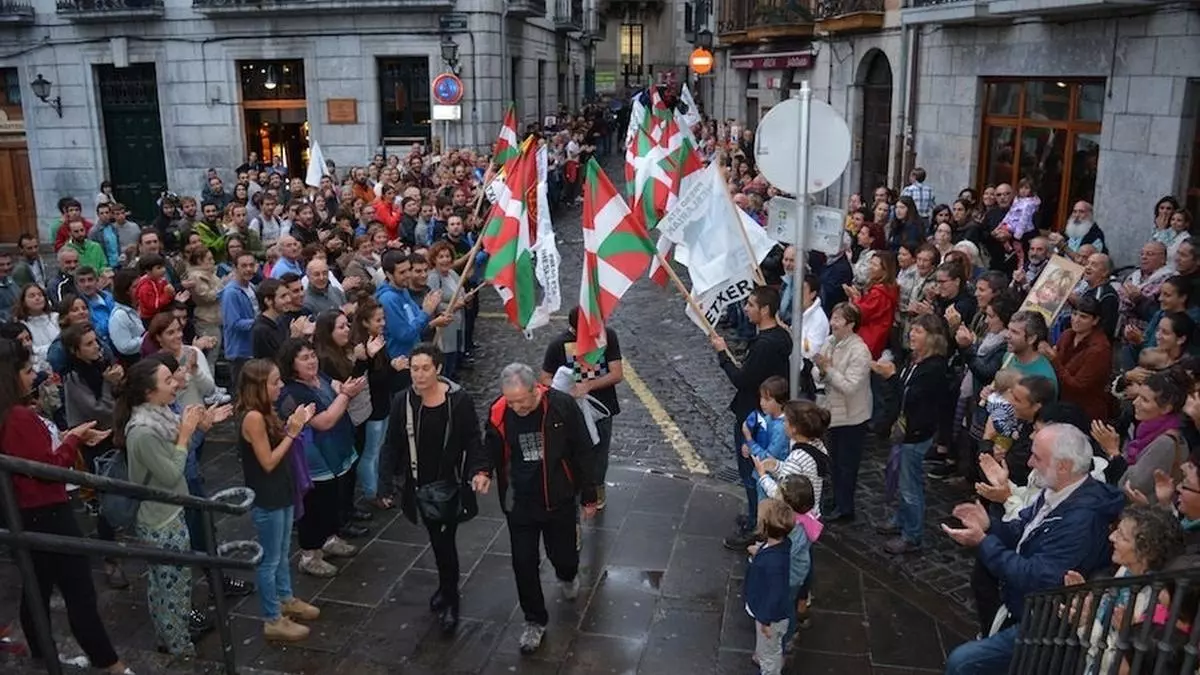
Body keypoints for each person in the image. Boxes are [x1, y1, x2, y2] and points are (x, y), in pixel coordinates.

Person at [942, 424, 1124, 675]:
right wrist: (989, 525)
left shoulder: (1081, 520)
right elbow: (1023, 529)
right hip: (1028, 610)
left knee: (962, 663)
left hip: (1048, 622)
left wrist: (984, 542)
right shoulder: (1059, 492)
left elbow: (1039, 576)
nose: (1029, 462)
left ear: (1063, 466)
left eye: (1037, 457)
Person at [0, 339, 133, 675]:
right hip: (47, 512)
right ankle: (110, 663)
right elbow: (48, 468)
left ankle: (43, 654)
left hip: (25, 514)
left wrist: (69, 434)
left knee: (37, 589)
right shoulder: (16, 416)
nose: (34, 377)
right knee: (78, 592)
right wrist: (72, 439)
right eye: (27, 371)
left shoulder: (12, 415)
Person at [481, 362, 597, 655]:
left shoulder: (561, 406)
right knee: (523, 563)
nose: (517, 407)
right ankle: (534, 620)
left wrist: (588, 495)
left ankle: (568, 574)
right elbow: (489, 447)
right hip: (520, 502)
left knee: (564, 556)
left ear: (536, 390)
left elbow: (583, 448)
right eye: (511, 401)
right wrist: (482, 471)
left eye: (522, 400)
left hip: (558, 499)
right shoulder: (499, 412)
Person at [379, 343, 488, 634]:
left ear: (438, 369)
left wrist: (479, 470)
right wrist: (385, 484)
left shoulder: (458, 401)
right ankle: (445, 588)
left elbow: (473, 439)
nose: (419, 374)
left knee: (444, 543)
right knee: (438, 542)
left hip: (450, 485)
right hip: (419, 486)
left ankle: (451, 600)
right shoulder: (402, 401)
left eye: (426, 368)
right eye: (414, 368)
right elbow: (391, 445)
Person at [115, 359, 203, 657]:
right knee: (172, 587)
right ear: (149, 392)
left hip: (171, 511)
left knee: (165, 583)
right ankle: (179, 646)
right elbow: (170, 474)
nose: (175, 384)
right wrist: (185, 436)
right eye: (168, 381)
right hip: (161, 519)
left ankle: (169, 638)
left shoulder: (160, 414)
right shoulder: (142, 431)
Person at [236, 358, 322, 642]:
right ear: (259, 387)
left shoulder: (265, 412)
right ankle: (272, 617)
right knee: (270, 560)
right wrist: (294, 431)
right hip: (268, 496)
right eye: (275, 382)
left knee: (283, 551)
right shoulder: (253, 417)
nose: (281, 385)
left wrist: (294, 423)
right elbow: (268, 461)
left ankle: (286, 598)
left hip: (282, 491)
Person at [276, 338, 366, 577]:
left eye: (313, 355)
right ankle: (310, 555)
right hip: (314, 458)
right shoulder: (292, 392)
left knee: (332, 500)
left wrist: (345, 389)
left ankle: (330, 538)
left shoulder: (319, 377)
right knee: (314, 506)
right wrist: (346, 396)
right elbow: (324, 421)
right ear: (291, 363)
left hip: (336, 450)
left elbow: (336, 385)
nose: (312, 361)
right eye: (304, 358)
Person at [709, 287, 791, 543]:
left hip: (754, 419)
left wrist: (723, 354)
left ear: (765, 310)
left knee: (753, 473)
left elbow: (743, 380)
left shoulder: (765, 346)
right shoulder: (778, 337)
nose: (746, 309)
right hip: (761, 414)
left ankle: (758, 527)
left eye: (751, 305)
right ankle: (756, 516)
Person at [874, 314, 949, 555]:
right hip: (905, 429)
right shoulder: (915, 359)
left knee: (910, 485)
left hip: (916, 432)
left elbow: (912, 397)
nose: (912, 335)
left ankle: (912, 534)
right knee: (901, 477)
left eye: (919, 331)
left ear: (932, 337)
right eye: (912, 330)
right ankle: (901, 519)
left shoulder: (935, 367)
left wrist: (892, 377)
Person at [540, 306, 625, 509]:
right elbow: (545, 377)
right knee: (574, 451)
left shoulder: (608, 336)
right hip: (572, 411)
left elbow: (617, 373)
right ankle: (577, 489)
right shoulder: (558, 345)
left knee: (600, 451)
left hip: (602, 406)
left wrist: (589, 386)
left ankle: (597, 487)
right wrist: (565, 392)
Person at [813, 302, 872, 522]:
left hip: (851, 417)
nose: (833, 323)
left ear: (851, 324)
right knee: (834, 461)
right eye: (833, 317)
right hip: (832, 413)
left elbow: (850, 386)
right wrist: (821, 370)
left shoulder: (860, 351)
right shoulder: (830, 341)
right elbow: (816, 371)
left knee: (847, 465)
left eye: (838, 319)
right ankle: (837, 498)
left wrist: (827, 370)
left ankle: (845, 507)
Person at [743, 498, 795, 675]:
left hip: (770, 618)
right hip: (769, 613)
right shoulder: (781, 545)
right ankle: (764, 655)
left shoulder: (773, 563)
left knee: (769, 655)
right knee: (768, 648)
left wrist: (765, 620)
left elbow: (775, 593)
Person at [220, 252, 258, 387]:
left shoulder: (252, 287)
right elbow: (234, 323)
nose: (248, 269)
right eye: (244, 266)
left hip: (252, 347)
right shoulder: (231, 293)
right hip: (239, 352)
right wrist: (260, 323)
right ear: (235, 268)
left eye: (251, 265)